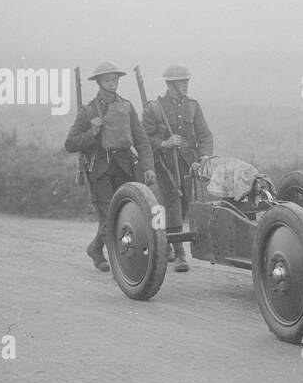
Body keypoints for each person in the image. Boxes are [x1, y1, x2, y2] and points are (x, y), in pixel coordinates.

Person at [65, 62, 156, 272]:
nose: (112, 82)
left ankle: (96, 249)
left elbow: (142, 141)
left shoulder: (127, 107)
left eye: (114, 78)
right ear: (98, 82)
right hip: (100, 170)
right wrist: (92, 132)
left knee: (126, 214)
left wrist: (148, 167)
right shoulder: (87, 112)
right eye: (107, 79)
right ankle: (121, 265)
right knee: (109, 217)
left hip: (125, 167)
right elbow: (70, 144)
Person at [141, 64, 213, 273]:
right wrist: (164, 143)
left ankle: (166, 245)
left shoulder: (192, 106)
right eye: (182, 82)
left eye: (187, 81)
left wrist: (204, 157)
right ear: (170, 84)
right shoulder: (155, 108)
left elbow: (205, 135)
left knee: (185, 206)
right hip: (165, 165)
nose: (185, 85)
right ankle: (180, 254)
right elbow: (143, 139)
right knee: (172, 206)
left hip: (188, 164)